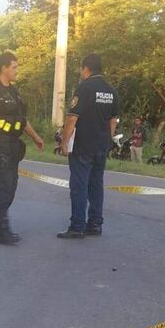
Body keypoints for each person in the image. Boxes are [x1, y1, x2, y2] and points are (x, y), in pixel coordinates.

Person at [0, 52, 44, 245]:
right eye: (14, 67)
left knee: (12, 184)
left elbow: (21, 120)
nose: (17, 70)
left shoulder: (14, 92)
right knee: (4, 184)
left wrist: (35, 137)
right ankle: (2, 228)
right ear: (4, 68)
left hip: (13, 143)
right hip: (0, 142)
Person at [58, 53, 119, 239]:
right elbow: (113, 121)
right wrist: (107, 141)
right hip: (101, 147)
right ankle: (95, 224)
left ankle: (77, 226)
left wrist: (64, 142)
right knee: (96, 185)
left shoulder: (84, 88)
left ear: (86, 68)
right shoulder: (112, 91)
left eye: (81, 69)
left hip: (83, 146)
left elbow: (72, 118)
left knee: (79, 185)